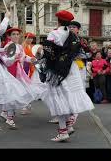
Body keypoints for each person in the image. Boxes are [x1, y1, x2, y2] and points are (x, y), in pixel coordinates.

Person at [40, 10, 94, 142]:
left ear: (58, 20)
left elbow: (48, 54)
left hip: (57, 71)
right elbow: (78, 54)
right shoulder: (73, 36)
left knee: (59, 100)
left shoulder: (53, 33)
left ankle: (63, 131)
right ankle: (69, 124)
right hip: (72, 69)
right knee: (71, 96)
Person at [0, 27, 45, 128]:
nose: (16, 36)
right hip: (11, 72)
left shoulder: (19, 46)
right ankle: (9, 117)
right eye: (13, 34)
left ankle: (5, 112)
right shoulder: (9, 46)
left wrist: (31, 59)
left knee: (18, 92)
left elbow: (23, 57)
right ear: (9, 36)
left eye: (17, 34)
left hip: (19, 72)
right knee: (13, 93)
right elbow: (5, 60)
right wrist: (13, 59)